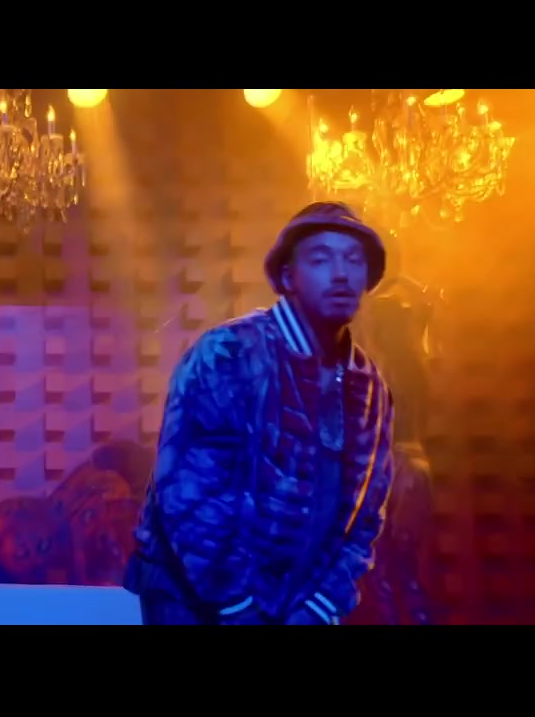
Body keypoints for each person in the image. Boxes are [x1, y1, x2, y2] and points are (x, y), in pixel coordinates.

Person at [124, 201, 396, 626]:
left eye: (354, 260)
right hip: (192, 600)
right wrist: (238, 607)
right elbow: (190, 494)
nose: (341, 273)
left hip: (295, 606)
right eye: (321, 259)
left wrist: (322, 606)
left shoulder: (369, 385)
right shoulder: (230, 354)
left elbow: (366, 515)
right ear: (288, 276)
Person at [349, 270, 443, 625]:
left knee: (381, 572)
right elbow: (424, 310)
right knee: (405, 569)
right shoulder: (417, 366)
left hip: (390, 471)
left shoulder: (377, 369)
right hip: (417, 469)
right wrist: (405, 284)